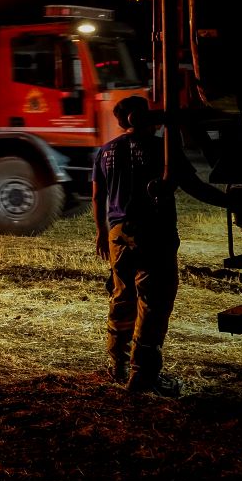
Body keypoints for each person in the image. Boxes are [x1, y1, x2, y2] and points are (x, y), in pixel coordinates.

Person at [92, 95, 232, 397]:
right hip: (153, 233)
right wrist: (231, 201)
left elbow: (97, 195)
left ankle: (118, 364)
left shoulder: (105, 152)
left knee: (122, 296)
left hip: (119, 234)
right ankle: (144, 377)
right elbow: (195, 187)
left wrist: (102, 234)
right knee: (152, 304)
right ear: (144, 117)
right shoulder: (163, 150)